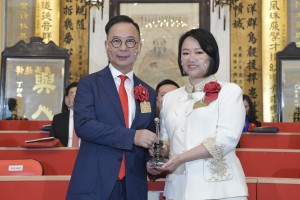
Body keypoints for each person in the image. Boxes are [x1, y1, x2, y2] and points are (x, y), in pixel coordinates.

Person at [66, 15, 159, 200]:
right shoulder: (89, 84)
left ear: (139, 47)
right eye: (116, 41)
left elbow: (146, 136)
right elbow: (84, 126)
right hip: (95, 184)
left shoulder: (148, 91)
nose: (123, 48)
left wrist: (152, 159)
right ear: (107, 45)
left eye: (130, 42)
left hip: (133, 187)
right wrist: (132, 136)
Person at [158, 28, 248, 199]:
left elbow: (225, 139)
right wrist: (159, 152)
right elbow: (166, 141)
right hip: (178, 190)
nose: (191, 58)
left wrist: (181, 158)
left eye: (199, 52)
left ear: (211, 56)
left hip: (220, 190)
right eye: (185, 53)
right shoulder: (170, 97)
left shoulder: (228, 91)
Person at [49, 82, 78, 147]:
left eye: (78, 93)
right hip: (64, 155)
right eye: (71, 94)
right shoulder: (58, 119)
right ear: (67, 99)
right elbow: (52, 142)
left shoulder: (93, 117)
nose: (75, 96)